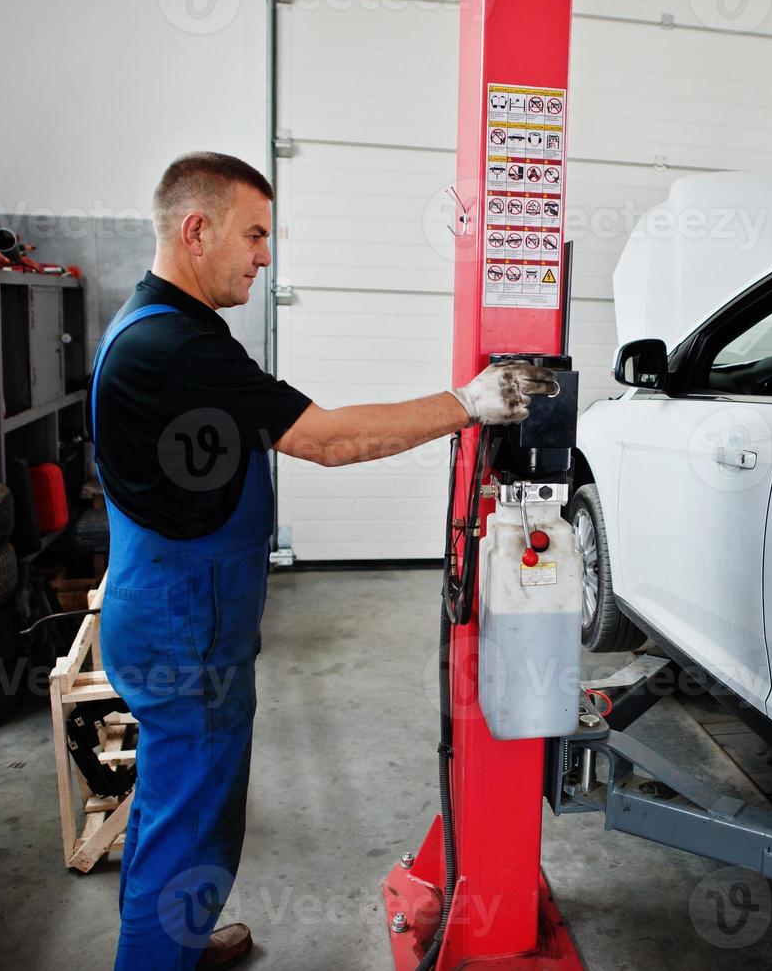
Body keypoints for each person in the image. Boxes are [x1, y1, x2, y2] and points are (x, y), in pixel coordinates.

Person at [90, 151, 555, 969]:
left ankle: (178, 940)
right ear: (196, 231)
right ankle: (159, 956)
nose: (266, 255)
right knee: (187, 815)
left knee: (185, 803)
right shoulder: (177, 347)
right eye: (255, 234)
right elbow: (328, 440)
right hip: (183, 623)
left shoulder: (153, 322)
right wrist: (468, 404)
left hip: (169, 602)